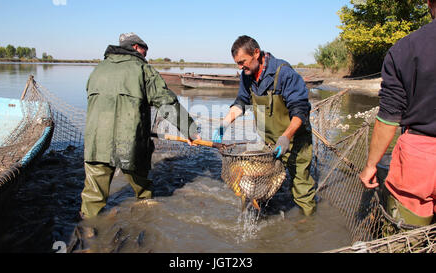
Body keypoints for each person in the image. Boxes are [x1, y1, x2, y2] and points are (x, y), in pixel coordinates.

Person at [80, 32, 201, 219]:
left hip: (96, 143)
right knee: (143, 190)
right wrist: (191, 130)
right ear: (136, 47)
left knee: (92, 196)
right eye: (145, 50)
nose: (146, 55)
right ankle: (146, 219)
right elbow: (166, 103)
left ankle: (87, 228)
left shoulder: (98, 69)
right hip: (130, 143)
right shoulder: (143, 69)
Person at [213, 35, 316, 216]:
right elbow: (241, 103)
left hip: (295, 140)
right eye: (237, 63)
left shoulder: (283, 73)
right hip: (269, 141)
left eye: (242, 61)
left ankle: (307, 222)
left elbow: (300, 110)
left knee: (301, 185)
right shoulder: (247, 76)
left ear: (256, 53)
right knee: (259, 181)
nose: (240, 67)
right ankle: (267, 213)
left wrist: (286, 137)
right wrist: (224, 125)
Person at [359, 0, 436, 227]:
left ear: (429, 3)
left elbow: (387, 118)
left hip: (419, 158)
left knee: (409, 237)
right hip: (419, 155)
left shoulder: (405, 49)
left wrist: (371, 165)